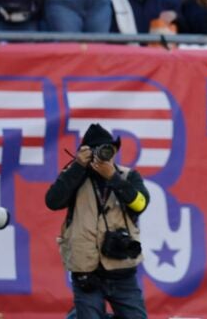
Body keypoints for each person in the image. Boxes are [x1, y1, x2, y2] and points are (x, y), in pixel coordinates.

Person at [45, 123, 149, 319]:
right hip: (86, 272)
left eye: (107, 150)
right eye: (97, 151)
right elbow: (52, 201)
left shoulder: (128, 176)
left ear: (115, 151)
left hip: (122, 270)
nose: (103, 155)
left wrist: (114, 178)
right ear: (85, 153)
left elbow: (141, 204)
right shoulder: (75, 176)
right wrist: (77, 167)